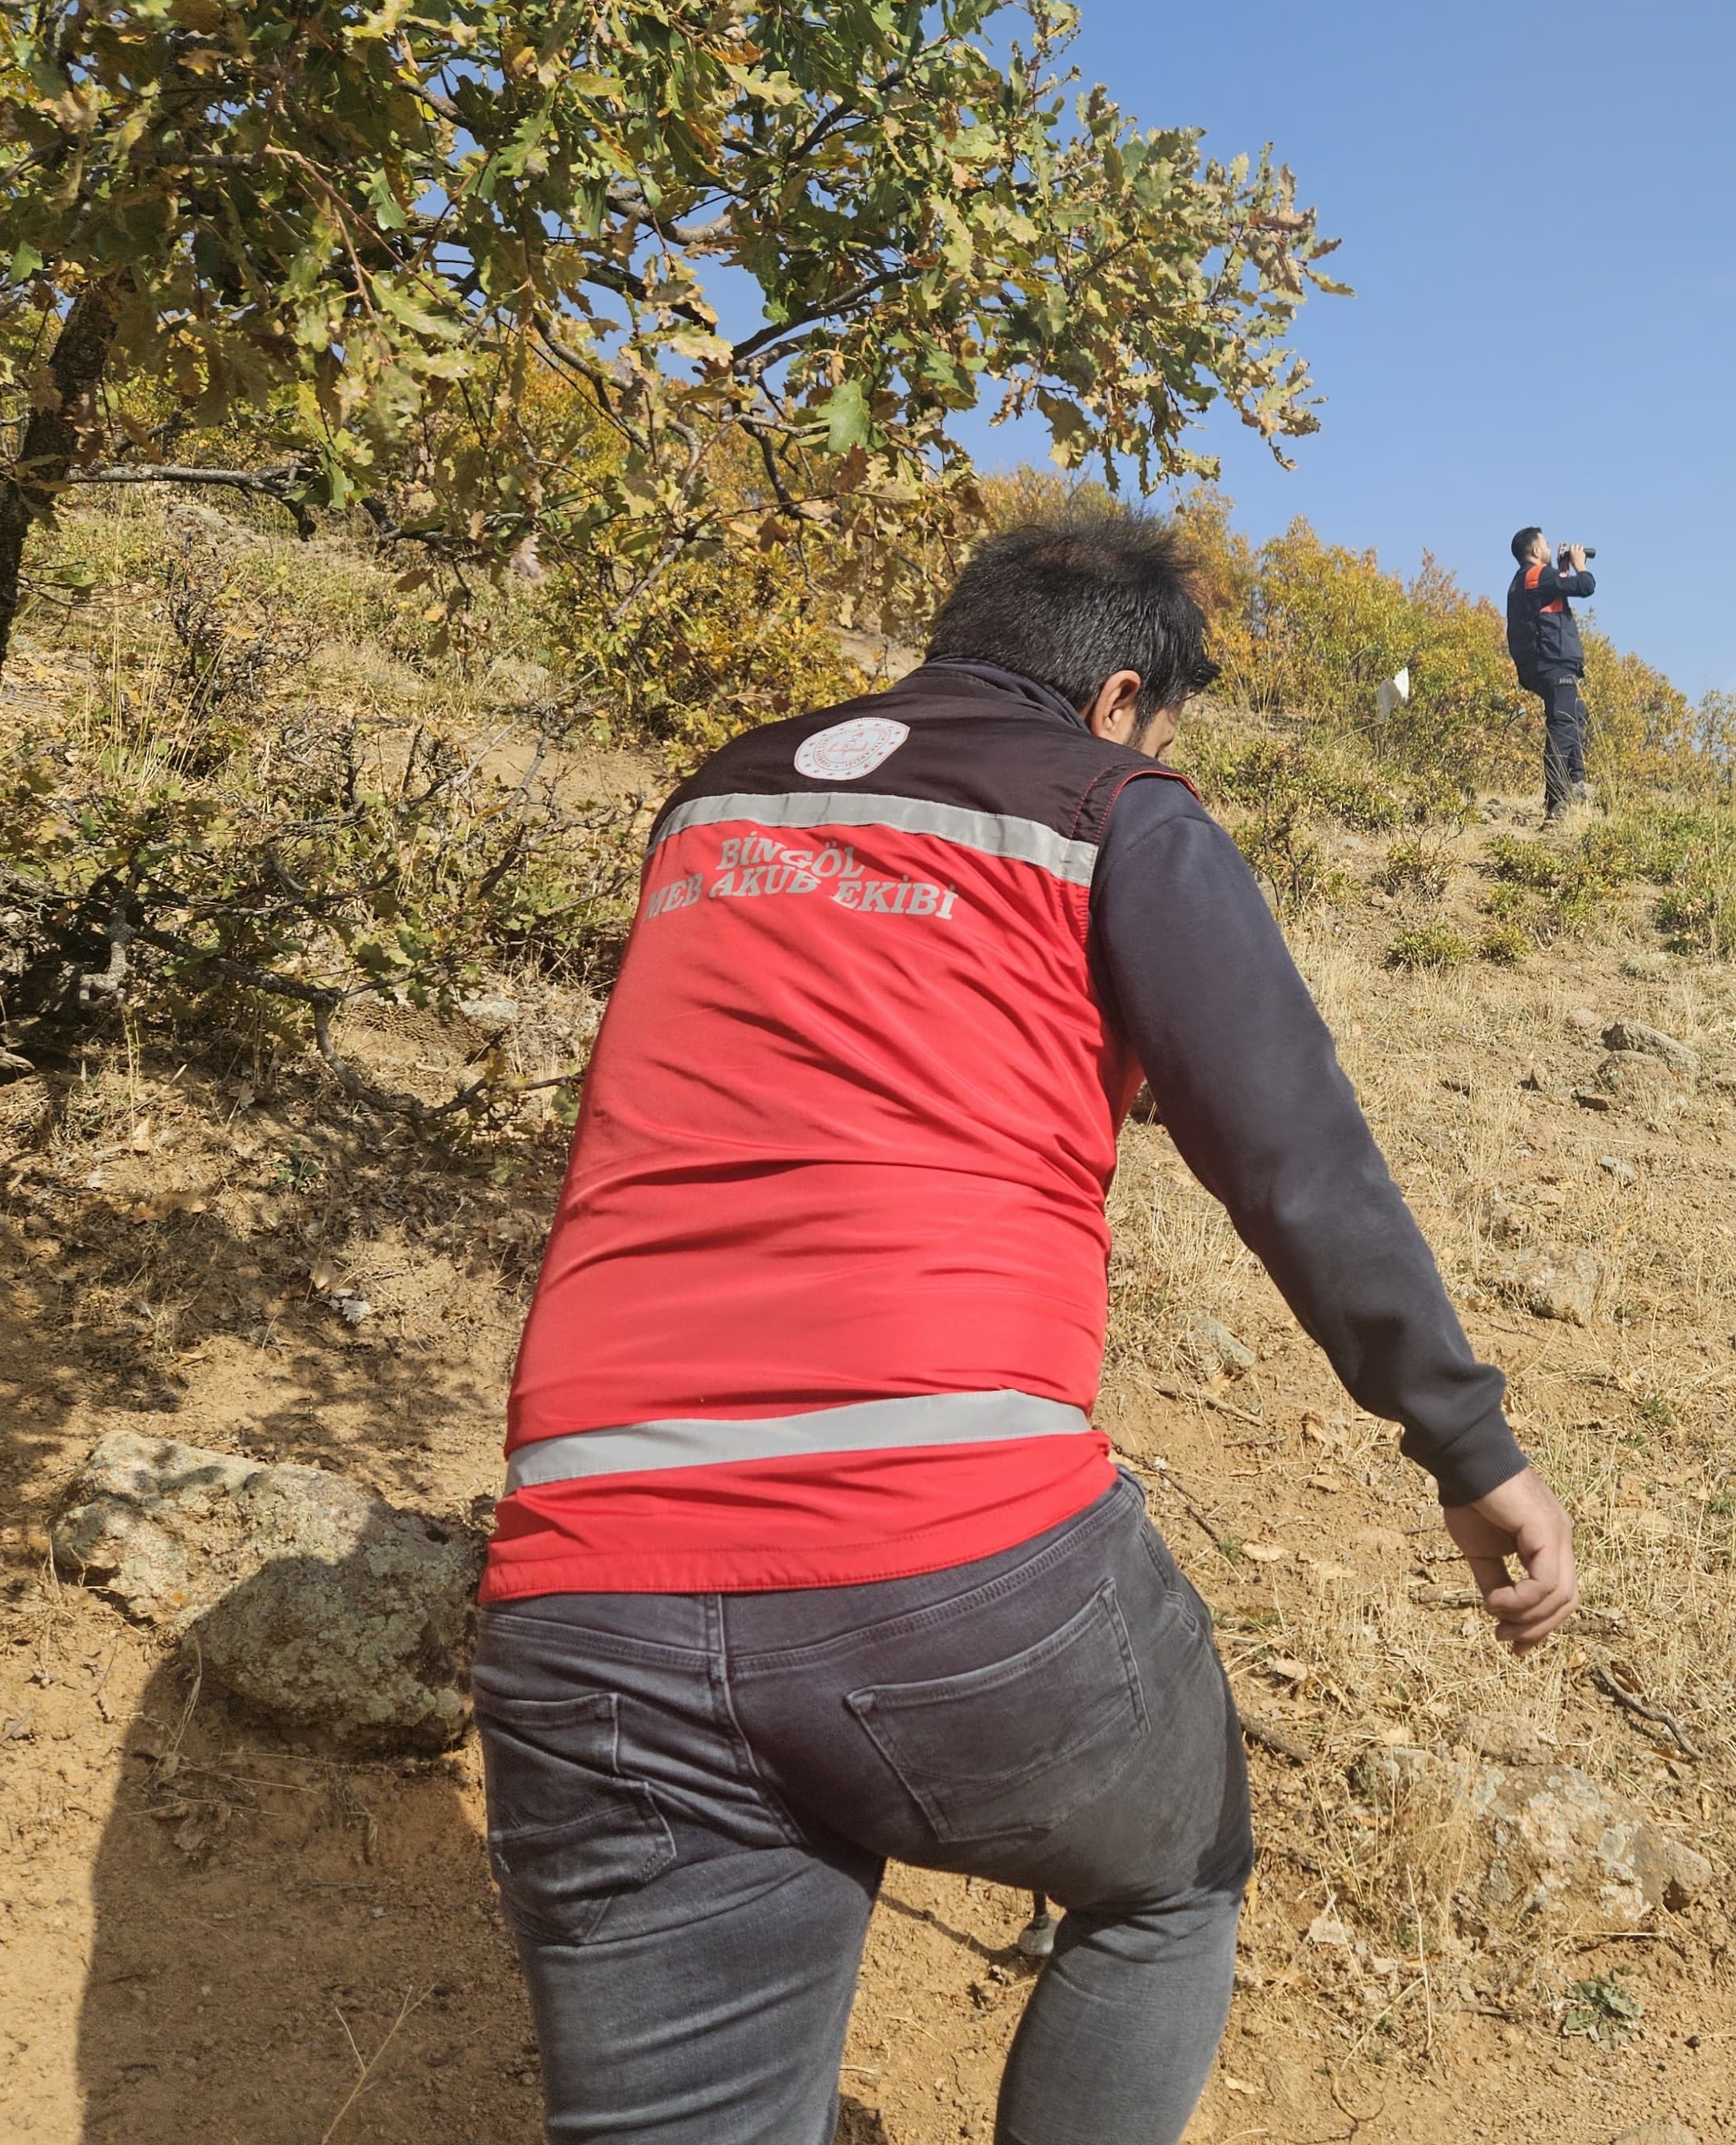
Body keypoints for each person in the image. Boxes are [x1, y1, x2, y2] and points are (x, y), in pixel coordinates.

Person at [472, 511, 1579, 2145]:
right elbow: (1288, 1153)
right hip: (954, 1565)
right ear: (1120, 697)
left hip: (587, 1591)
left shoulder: (715, 796)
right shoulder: (1112, 812)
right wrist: (1465, 1447)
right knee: (1170, 1877)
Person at [1503, 523, 1597, 825]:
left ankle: (1577, 785)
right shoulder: (1538, 575)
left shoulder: (1524, 580)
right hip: (1554, 663)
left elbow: (1553, 593)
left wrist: (1561, 568)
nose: (1548, 546)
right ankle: (1557, 803)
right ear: (1534, 550)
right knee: (1564, 725)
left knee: (1575, 715)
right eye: (1545, 544)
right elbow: (1585, 586)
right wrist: (1579, 567)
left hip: (1536, 665)